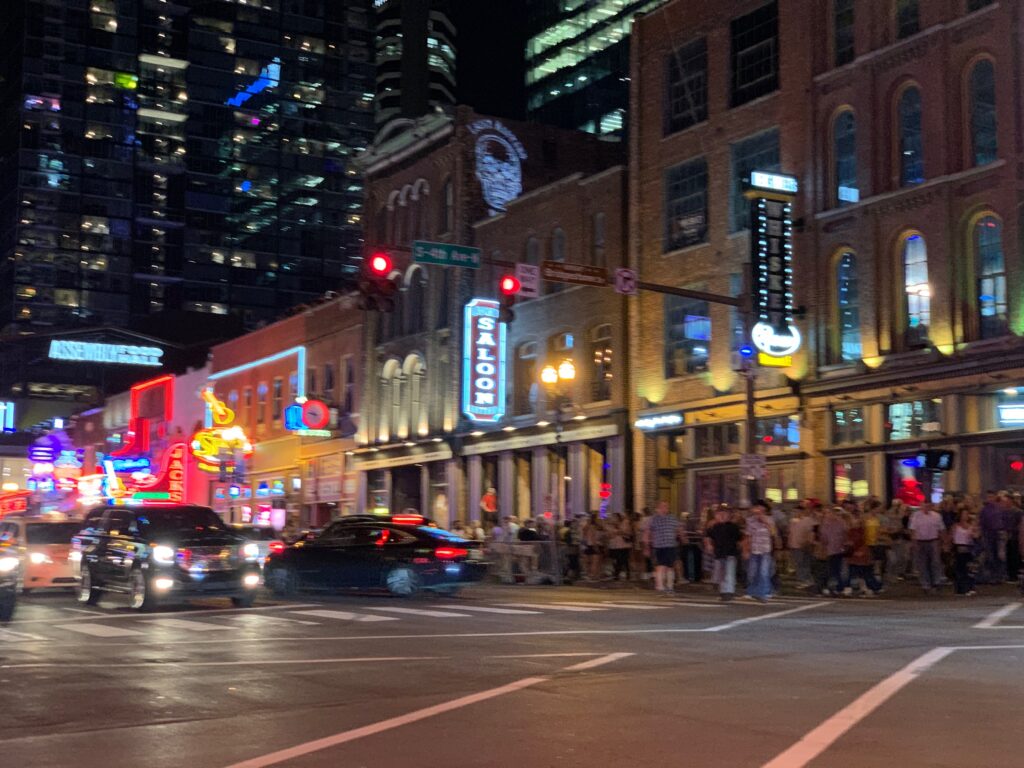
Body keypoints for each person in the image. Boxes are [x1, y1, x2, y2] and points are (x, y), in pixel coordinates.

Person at [706, 505, 743, 600]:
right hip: (719, 553)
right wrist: (709, 545)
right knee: (721, 573)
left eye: (725, 514)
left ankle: (729, 591)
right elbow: (708, 536)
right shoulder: (714, 526)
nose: (722, 516)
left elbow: (740, 539)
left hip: (730, 552)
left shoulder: (733, 526)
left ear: (728, 515)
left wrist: (741, 548)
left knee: (729, 572)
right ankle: (723, 591)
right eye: (720, 514)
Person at [909, 502, 946, 593]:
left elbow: (941, 529)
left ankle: (936, 581)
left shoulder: (936, 516)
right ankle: (925, 583)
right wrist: (914, 542)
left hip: (933, 541)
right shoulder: (916, 516)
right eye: (924, 505)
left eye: (928, 505)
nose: (926, 507)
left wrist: (943, 542)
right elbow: (912, 530)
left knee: (935, 562)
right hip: (920, 541)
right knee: (922, 563)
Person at [743, 504, 776, 602]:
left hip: (765, 550)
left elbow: (773, 533)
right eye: (756, 513)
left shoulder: (769, 520)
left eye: (760, 512)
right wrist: (746, 549)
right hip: (754, 549)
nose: (758, 515)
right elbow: (748, 536)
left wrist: (766, 523)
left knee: (763, 572)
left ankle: (763, 592)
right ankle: (752, 591)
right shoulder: (750, 521)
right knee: (752, 572)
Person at [645, 500, 679, 594]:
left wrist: (681, 538)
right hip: (659, 546)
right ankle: (660, 586)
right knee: (661, 566)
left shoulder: (672, 518)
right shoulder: (653, 519)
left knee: (670, 566)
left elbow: (678, 530)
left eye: (666, 507)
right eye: (662, 507)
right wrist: (646, 546)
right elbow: (647, 532)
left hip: (671, 545)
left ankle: (670, 586)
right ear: (657, 509)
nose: (665, 509)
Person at [846, 511, 882, 596]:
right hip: (854, 554)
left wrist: (858, 550)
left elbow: (861, 541)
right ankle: (866, 587)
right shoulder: (851, 531)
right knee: (858, 572)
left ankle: (872, 587)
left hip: (862, 553)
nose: (854, 522)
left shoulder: (862, 531)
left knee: (864, 572)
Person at [819, 507, 849, 596]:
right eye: (826, 513)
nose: (828, 515)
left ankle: (838, 587)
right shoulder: (825, 524)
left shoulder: (840, 523)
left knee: (837, 569)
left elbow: (845, 534)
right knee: (830, 570)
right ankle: (830, 587)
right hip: (829, 550)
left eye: (829, 513)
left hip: (838, 549)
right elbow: (823, 538)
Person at [978, 491, 1006, 584]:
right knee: (990, 556)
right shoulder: (984, 510)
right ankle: (992, 576)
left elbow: (1003, 521)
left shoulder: (999, 509)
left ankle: (1000, 575)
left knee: (1000, 555)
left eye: (992, 497)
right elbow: (981, 523)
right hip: (988, 534)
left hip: (998, 534)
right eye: (988, 497)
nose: (990, 499)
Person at [787, 505, 815, 587]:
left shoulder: (808, 520)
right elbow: (790, 533)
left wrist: (808, 541)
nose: (795, 513)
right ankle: (802, 580)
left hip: (804, 545)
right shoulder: (792, 521)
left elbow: (811, 532)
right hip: (794, 545)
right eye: (794, 512)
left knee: (805, 563)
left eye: (796, 511)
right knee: (798, 563)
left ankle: (807, 579)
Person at [952, 510, 977, 596]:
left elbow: (976, 536)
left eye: (966, 514)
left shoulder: (971, 526)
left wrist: (974, 529)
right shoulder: (955, 526)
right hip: (958, 548)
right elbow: (952, 537)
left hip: (968, 548)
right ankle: (959, 589)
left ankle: (969, 587)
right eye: (963, 514)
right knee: (959, 569)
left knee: (969, 569)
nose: (965, 516)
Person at [607, 512, 632, 581]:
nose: (614, 519)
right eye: (613, 517)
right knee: (618, 560)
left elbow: (629, 533)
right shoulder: (611, 526)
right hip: (615, 546)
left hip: (624, 545)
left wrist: (620, 532)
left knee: (624, 560)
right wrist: (614, 533)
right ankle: (617, 574)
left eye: (615, 517)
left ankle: (624, 574)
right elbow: (609, 536)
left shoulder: (625, 523)